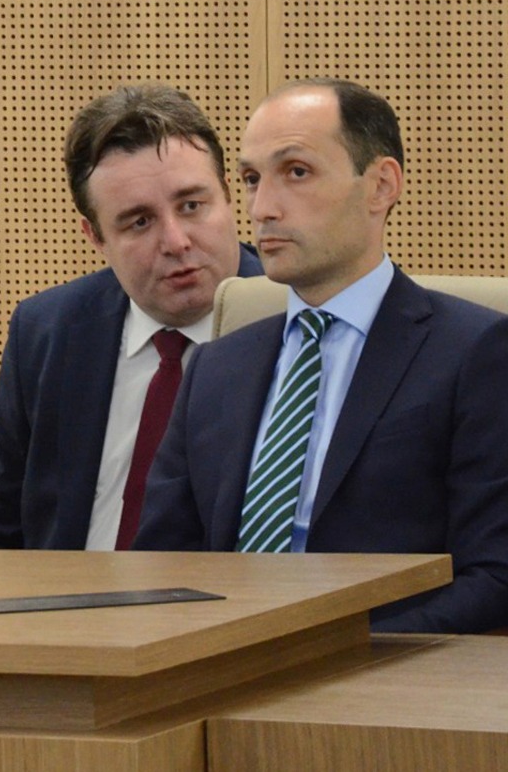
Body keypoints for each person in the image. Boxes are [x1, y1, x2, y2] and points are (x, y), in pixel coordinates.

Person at [136, 79, 508, 633]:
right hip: (219, 666)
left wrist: (327, 652)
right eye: (252, 180)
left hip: (381, 669)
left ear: (381, 186)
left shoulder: (476, 352)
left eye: (296, 172)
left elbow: (495, 577)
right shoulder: (215, 368)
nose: (262, 208)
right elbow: (163, 565)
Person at [0, 85, 262, 550]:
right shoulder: (46, 331)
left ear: (228, 197)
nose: (176, 241)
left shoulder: (295, 320)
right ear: (95, 236)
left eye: (192, 206)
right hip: (71, 595)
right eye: (140, 222)